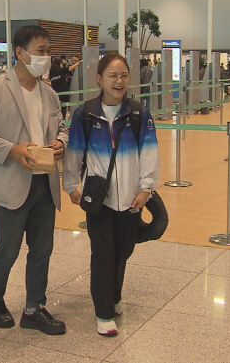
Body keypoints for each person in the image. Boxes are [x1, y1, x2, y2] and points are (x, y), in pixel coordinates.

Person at [0, 25, 69, 335]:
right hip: (11, 184)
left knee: (42, 250)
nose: (46, 57)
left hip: (44, 184)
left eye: (49, 50)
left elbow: (61, 127)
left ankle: (34, 308)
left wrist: (61, 143)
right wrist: (11, 149)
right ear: (20, 53)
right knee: (8, 249)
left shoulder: (49, 92)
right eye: (41, 50)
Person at [63, 52, 160, 337]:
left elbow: (150, 153)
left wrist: (146, 188)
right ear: (100, 79)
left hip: (131, 199)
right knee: (103, 254)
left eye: (123, 76)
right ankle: (103, 312)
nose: (119, 81)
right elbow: (75, 152)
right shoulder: (85, 113)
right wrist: (71, 184)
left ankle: (114, 297)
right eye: (112, 76)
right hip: (99, 199)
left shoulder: (139, 113)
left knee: (123, 251)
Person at [49, 56, 81, 120]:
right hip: (62, 92)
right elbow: (69, 68)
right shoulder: (60, 71)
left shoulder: (51, 71)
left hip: (54, 91)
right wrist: (78, 63)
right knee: (62, 108)